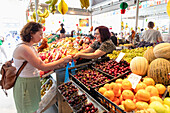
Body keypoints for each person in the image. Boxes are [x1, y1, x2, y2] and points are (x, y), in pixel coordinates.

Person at [12, 22, 72, 113]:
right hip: (25, 85)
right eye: (40, 34)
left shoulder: (30, 47)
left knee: (33, 109)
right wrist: (63, 60)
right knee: (28, 110)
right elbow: (42, 66)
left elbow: (39, 64)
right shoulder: (24, 48)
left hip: (31, 83)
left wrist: (58, 65)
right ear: (31, 33)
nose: (42, 37)